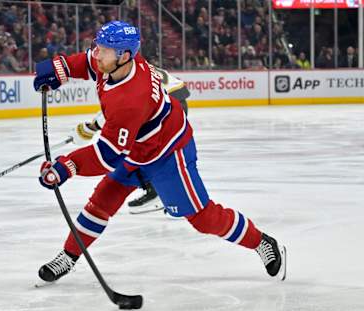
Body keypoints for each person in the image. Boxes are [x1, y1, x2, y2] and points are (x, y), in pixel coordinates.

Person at [33, 21, 287, 284]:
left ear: (125, 56)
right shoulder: (113, 64)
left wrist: (67, 167)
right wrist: (57, 70)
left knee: (203, 218)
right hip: (135, 148)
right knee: (101, 202)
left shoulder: (131, 98)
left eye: (104, 50)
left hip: (167, 153)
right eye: (98, 47)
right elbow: (86, 62)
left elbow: (108, 155)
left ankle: (261, 241)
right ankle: (69, 256)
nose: (97, 54)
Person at [70, 65, 190, 214]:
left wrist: (91, 128)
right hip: (174, 101)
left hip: (166, 105)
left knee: (135, 152)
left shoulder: (121, 77)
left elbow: (123, 110)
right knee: (151, 151)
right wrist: (92, 127)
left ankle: (157, 192)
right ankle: (169, 194)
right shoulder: (130, 67)